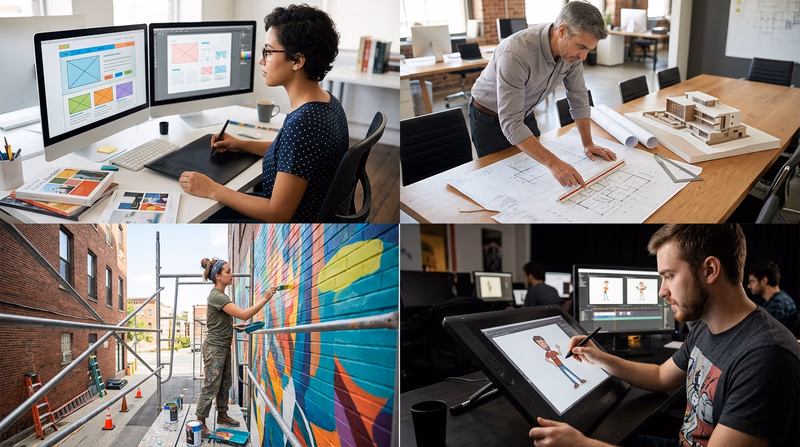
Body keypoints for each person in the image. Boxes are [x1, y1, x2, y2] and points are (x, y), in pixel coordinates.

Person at [528, 225, 800, 447]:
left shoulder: (766, 356)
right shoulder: (706, 325)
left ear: (710, 270)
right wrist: (600, 357)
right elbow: (660, 376)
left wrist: (583, 446)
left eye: (669, 276)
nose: (661, 291)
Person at [179, 5, 349, 223]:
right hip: (310, 210)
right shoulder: (326, 101)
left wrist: (211, 189)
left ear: (297, 61)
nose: (261, 60)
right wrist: (242, 145)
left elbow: (278, 213)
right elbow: (294, 154)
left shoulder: (304, 123)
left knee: (198, 216)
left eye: (268, 52)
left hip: (290, 224)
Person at [468, 1, 616, 188]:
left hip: (524, 112)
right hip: (488, 117)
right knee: (503, 182)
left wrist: (588, 144)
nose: (584, 56)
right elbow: (511, 123)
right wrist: (555, 164)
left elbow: (578, 97)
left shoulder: (573, 55)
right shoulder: (516, 53)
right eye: (581, 46)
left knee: (533, 175)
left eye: (588, 49)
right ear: (562, 31)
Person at [196, 257, 277, 437]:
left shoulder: (221, 296)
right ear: (218, 276)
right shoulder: (217, 296)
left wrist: (232, 326)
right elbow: (244, 314)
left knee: (225, 382)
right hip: (214, 348)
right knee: (211, 385)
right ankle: (200, 422)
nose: (231, 274)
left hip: (223, 346)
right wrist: (265, 299)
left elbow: (215, 322)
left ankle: (222, 414)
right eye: (228, 271)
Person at [747, 261, 798, 327]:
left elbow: (760, 329)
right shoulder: (783, 299)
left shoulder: (777, 304)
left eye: (752, 281)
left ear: (764, 280)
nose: (748, 286)